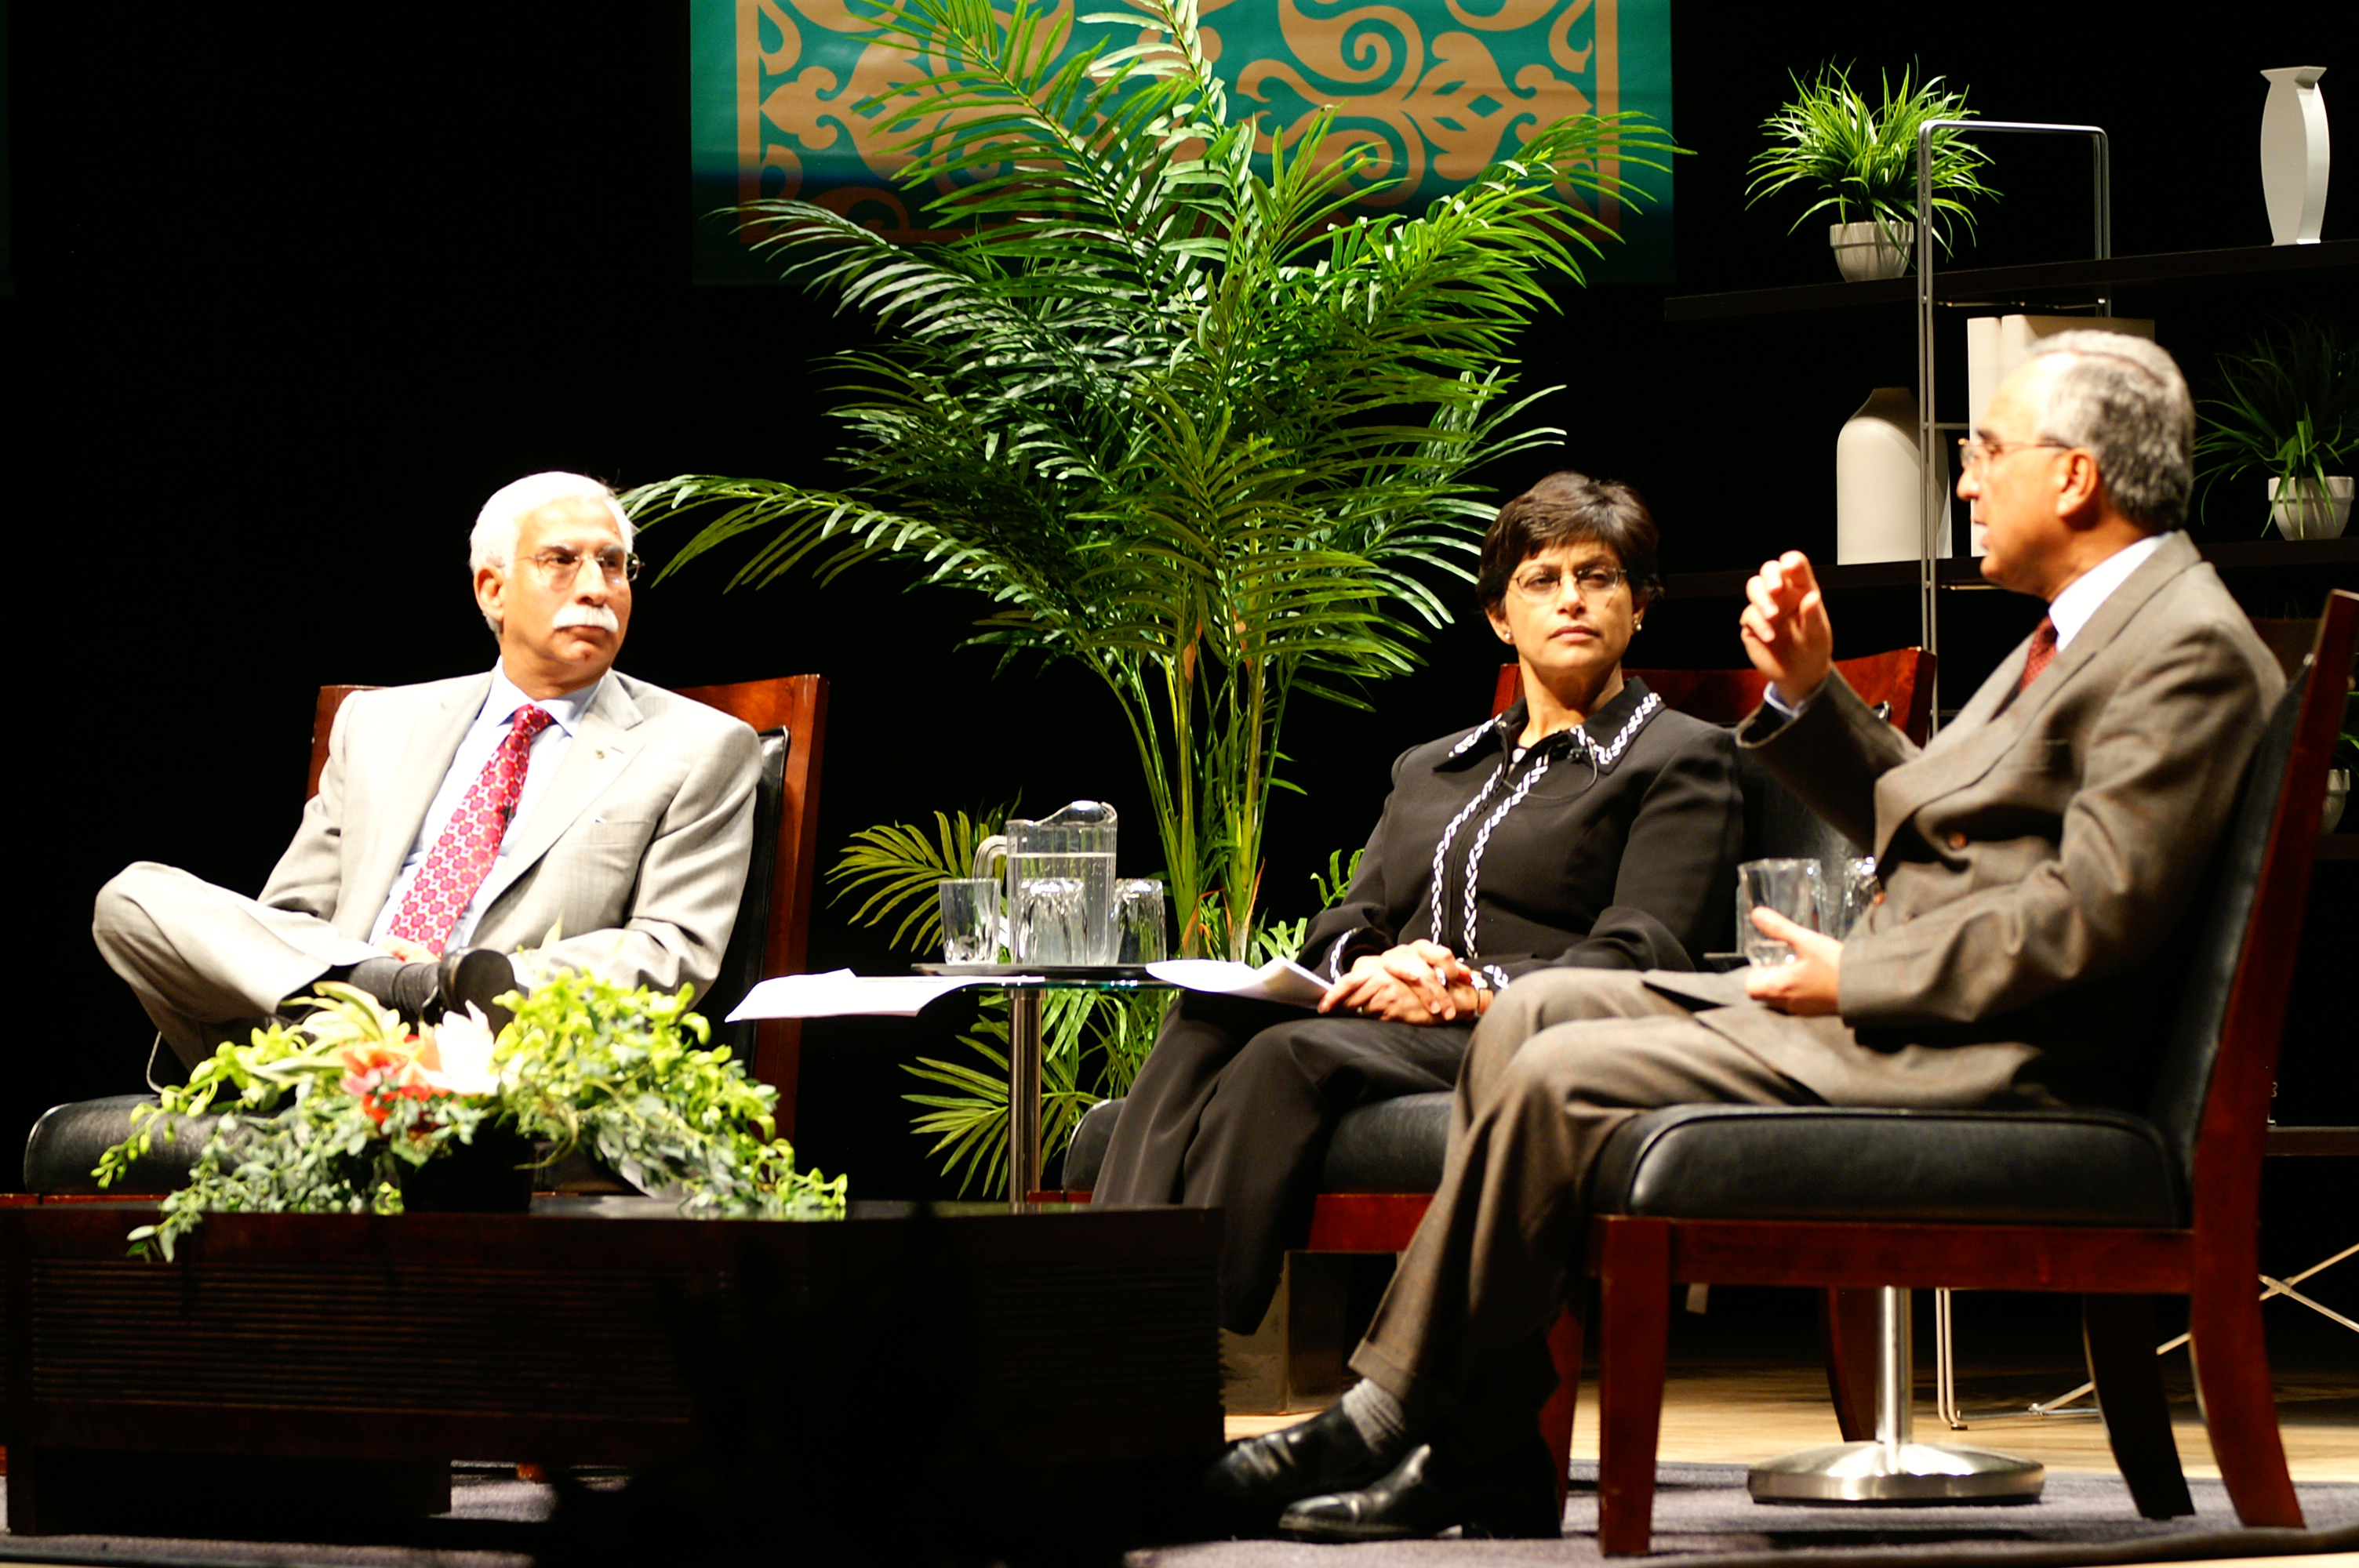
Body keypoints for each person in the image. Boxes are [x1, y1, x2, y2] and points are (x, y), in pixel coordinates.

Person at [1202, 332, 2286, 1541]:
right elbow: (1953, 821)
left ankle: (1390, 1410)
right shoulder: (2082, 631)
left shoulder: (2180, 647)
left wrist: (1861, 975)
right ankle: (1489, 1450)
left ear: (2075, 478)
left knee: (1556, 1058)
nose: (1967, 479)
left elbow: (2097, 916)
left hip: (1994, 1063)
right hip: (1920, 1022)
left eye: (1984, 452)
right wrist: (1814, 694)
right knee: (1539, 1009)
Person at [1094, 473, 1745, 1334]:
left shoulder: (1680, 757)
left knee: (1281, 1058)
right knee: (1205, 1016)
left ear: (1638, 607)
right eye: (1541, 580)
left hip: (1537, 1030)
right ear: (1498, 618)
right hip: (1391, 1023)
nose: (1572, 600)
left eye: (1599, 577)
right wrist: (1376, 962)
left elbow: (1646, 950)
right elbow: (1343, 923)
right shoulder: (1431, 766)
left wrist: (1467, 987)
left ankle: (1171, 1341)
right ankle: (1097, 1314)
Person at [94, 472, 765, 1073]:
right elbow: (289, 918)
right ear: (492, 589)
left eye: (614, 566)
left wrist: (461, 981)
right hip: (319, 1025)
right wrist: (365, 988)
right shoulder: (379, 723)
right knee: (132, 898)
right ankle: (364, 1020)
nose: (595, 588)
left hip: (493, 1042)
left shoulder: (698, 747)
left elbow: (668, 954)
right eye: (561, 561)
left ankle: (400, 1017)